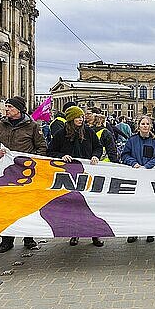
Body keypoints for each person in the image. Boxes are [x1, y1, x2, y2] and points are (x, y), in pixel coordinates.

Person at [0, 96, 47, 253]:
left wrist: (31, 161)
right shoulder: (0, 125)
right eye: (6, 106)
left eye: (10, 107)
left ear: (19, 110)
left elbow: (41, 146)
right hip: (5, 174)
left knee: (26, 207)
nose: (7, 109)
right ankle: (6, 240)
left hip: (25, 174)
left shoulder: (32, 126)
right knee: (6, 208)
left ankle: (28, 238)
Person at [47, 105, 104, 247]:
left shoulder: (89, 132)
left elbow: (98, 147)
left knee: (91, 205)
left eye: (82, 116)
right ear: (71, 119)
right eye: (78, 117)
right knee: (74, 206)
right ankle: (75, 233)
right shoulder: (61, 134)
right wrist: (62, 156)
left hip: (87, 174)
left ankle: (95, 235)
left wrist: (96, 156)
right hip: (70, 175)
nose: (81, 119)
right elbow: (50, 152)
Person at [122, 115, 155, 244]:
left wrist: (148, 165)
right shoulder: (132, 140)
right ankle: (133, 231)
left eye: (147, 124)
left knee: (149, 205)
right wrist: (133, 163)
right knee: (134, 205)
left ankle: (149, 231)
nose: (145, 126)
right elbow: (125, 155)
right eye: (143, 124)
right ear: (138, 126)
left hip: (150, 177)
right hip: (135, 177)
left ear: (150, 126)